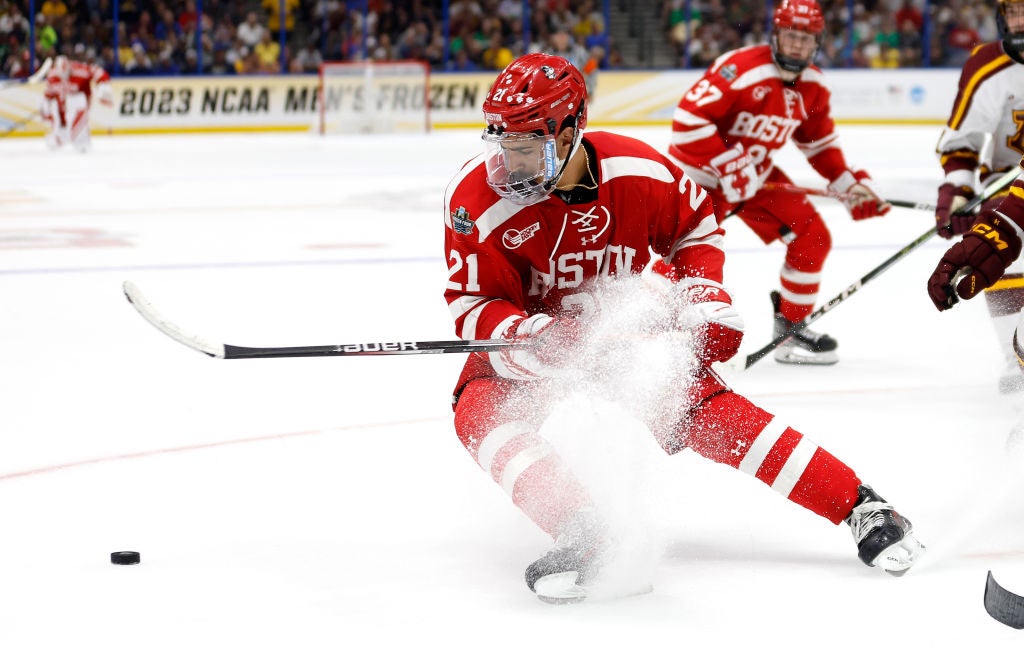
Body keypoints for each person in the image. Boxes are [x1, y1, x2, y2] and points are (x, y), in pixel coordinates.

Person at [444, 52, 922, 604]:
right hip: (532, 342)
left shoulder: (637, 170)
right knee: (479, 411)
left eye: (528, 149)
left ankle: (861, 507)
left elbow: (695, 227)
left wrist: (702, 297)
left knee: (711, 415)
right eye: (504, 147)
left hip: (620, 328)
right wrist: (531, 335)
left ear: (573, 128)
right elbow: (473, 302)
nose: (511, 165)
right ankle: (585, 533)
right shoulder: (475, 202)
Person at [666, 0, 891, 365]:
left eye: (806, 39)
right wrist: (729, 163)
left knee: (813, 237)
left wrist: (850, 184)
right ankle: (665, 335)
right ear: (775, 35)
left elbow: (819, 145)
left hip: (756, 178)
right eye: (791, 36)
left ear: (817, 42)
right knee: (679, 256)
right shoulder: (742, 68)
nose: (798, 46)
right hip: (702, 178)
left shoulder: (813, 84)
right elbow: (687, 122)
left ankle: (790, 330)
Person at [931, 0, 1024, 392]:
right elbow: (962, 142)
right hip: (1009, 184)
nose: (1022, 20)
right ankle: (1013, 357)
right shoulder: (987, 66)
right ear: (1003, 16)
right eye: (1015, 10)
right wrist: (961, 189)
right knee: (999, 251)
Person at [40, 55, 112, 152]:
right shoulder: (53, 76)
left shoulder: (80, 70)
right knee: (55, 113)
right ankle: (61, 135)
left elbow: (96, 71)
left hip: (80, 105)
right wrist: (45, 105)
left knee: (76, 100)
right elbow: (48, 95)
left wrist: (103, 84)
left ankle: (81, 140)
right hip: (62, 110)